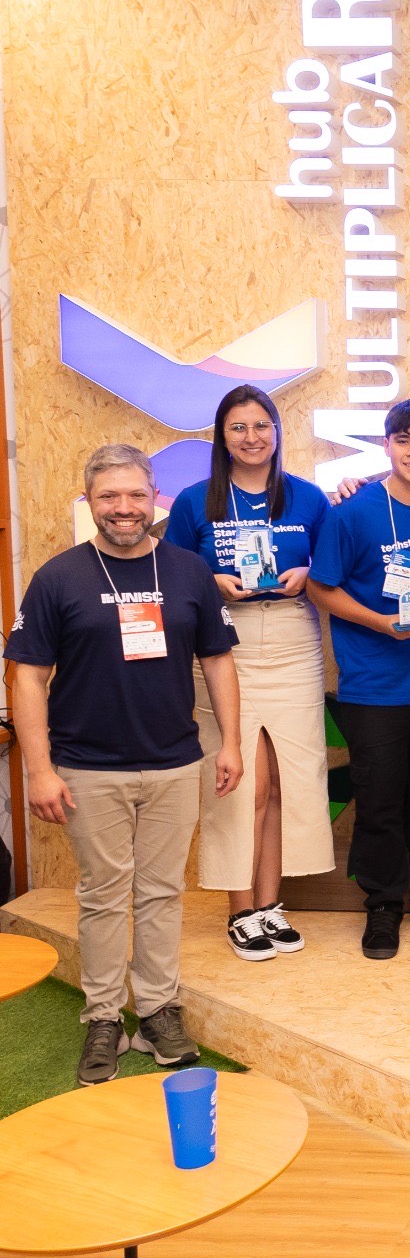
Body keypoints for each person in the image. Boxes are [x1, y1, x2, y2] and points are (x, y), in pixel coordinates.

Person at [7, 444, 242, 1085]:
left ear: (153, 498)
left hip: (174, 763)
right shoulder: (59, 577)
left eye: (136, 495)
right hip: (88, 768)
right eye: (109, 496)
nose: (124, 508)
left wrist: (231, 742)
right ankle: (105, 1017)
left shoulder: (188, 570)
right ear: (90, 501)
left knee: (162, 892)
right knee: (104, 896)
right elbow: (27, 676)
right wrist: (39, 769)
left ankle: (159, 1011)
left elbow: (218, 659)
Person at [164, 386, 335, 961]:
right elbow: (172, 576)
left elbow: (333, 565)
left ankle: (268, 907)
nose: (252, 437)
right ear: (222, 436)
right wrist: (209, 582)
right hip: (223, 643)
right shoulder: (195, 501)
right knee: (245, 783)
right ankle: (240, 911)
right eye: (239, 427)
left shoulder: (307, 497)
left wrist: (308, 572)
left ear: (277, 431)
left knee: (287, 780)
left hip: (293, 639)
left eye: (262, 425)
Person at [308, 399, 410, 959]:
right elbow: (320, 587)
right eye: (403, 440)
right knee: (379, 803)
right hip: (375, 687)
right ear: (386, 446)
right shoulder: (352, 513)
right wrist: (380, 623)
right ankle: (382, 907)